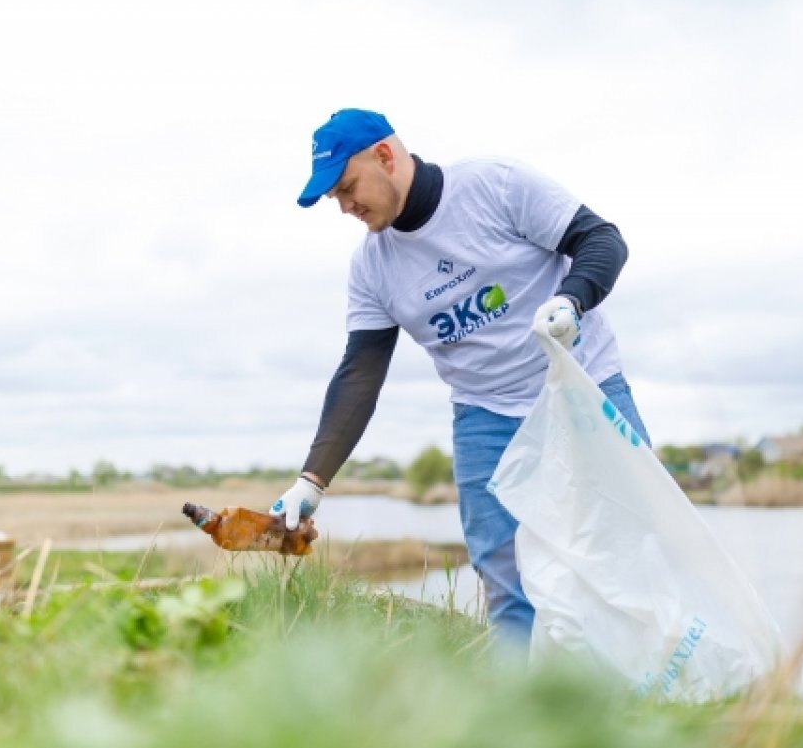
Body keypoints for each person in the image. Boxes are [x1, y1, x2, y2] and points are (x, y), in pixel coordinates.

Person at [270, 108, 651, 643]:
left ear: (386, 155)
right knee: (506, 580)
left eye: (348, 187)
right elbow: (360, 373)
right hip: (485, 413)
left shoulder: (494, 186)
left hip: (583, 383)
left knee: (630, 548)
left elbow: (602, 240)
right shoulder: (372, 268)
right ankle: (520, 707)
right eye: (335, 197)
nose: (346, 206)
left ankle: (656, 698)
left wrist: (571, 299)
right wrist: (312, 479)